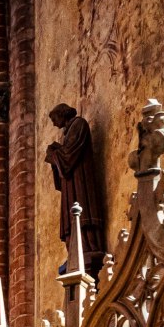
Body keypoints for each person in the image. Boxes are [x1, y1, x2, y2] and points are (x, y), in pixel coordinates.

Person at [44, 103, 105, 277]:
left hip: (80, 182)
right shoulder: (69, 131)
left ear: (62, 114)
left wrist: (54, 154)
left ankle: (89, 246)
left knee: (81, 212)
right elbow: (65, 155)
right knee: (70, 216)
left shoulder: (79, 125)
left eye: (55, 119)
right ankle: (75, 251)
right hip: (70, 184)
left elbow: (69, 156)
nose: (55, 124)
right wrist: (57, 153)